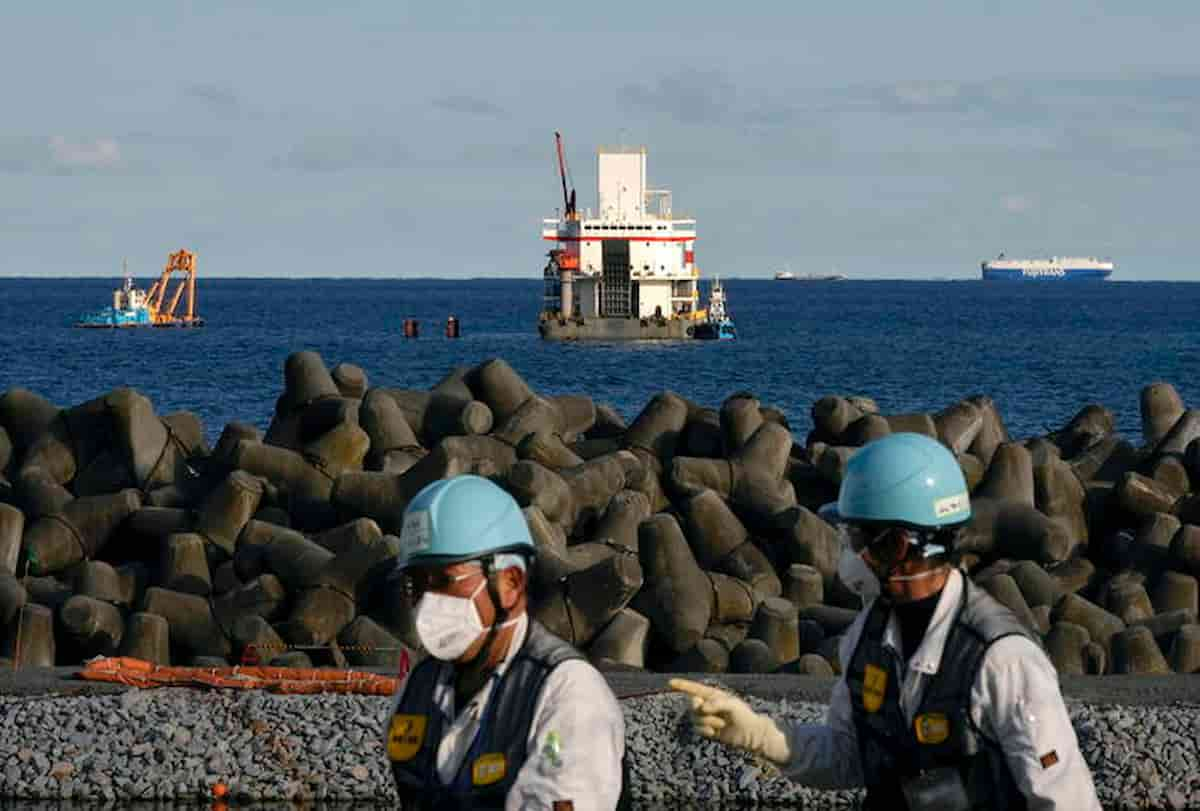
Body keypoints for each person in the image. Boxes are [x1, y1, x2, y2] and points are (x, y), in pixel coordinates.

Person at [672, 432, 1100, 810]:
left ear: (896, 544)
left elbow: (1063, 799)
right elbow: (848, 757)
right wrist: (762, 736)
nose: (844, 549)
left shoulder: (1001, 658)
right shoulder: (867, 635)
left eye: (854, 535)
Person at [384, 473, 628, 811]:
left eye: (444, 581)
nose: (428, 602)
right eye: (415, 586)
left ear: (510, 582)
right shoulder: (417, 686)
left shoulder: (566, 693)